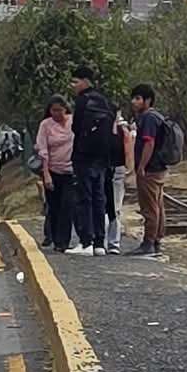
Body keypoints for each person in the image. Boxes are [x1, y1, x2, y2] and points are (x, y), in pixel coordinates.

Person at [70, 65, 114, 256]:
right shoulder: (104, 101)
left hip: (83, 157)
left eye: (75, 81)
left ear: (85, 81)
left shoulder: (82, 101)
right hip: (102, 159)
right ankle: (99, 243)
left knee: (84, 199)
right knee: (99, 199)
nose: (73, 85)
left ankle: (85, 241)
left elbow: (76, 128)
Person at [129, 84, 168, 257]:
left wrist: (141, 167)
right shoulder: (158, 117)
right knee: (158, 205)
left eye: (138, 98)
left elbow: (149, 143)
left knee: (149, 207)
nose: (134, 102)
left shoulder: (149, 118)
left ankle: (149, 242)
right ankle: (156, 239)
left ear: (148, 100)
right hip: (159, 167)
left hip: (150, 169)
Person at [36, 95, 79, 254]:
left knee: (67, 206)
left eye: (59, 110)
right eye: (53, 110)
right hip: (53, 171)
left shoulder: (73, 122)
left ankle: (63, 241)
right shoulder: (45, 125)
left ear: (65, 109)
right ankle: (54, 237)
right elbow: (43, 150)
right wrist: (46, 174)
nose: (57, 114)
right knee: (54, 207)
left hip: (71, 171)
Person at [104, 111, 135, 255]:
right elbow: (128, 152)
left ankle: (109, 242)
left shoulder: (122, 130)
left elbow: (128, 151)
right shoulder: (121, 129)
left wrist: (129, 170)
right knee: (112, 207)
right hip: (108, 170)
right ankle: (109, 242)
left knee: (111, 207)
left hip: (114, 170)